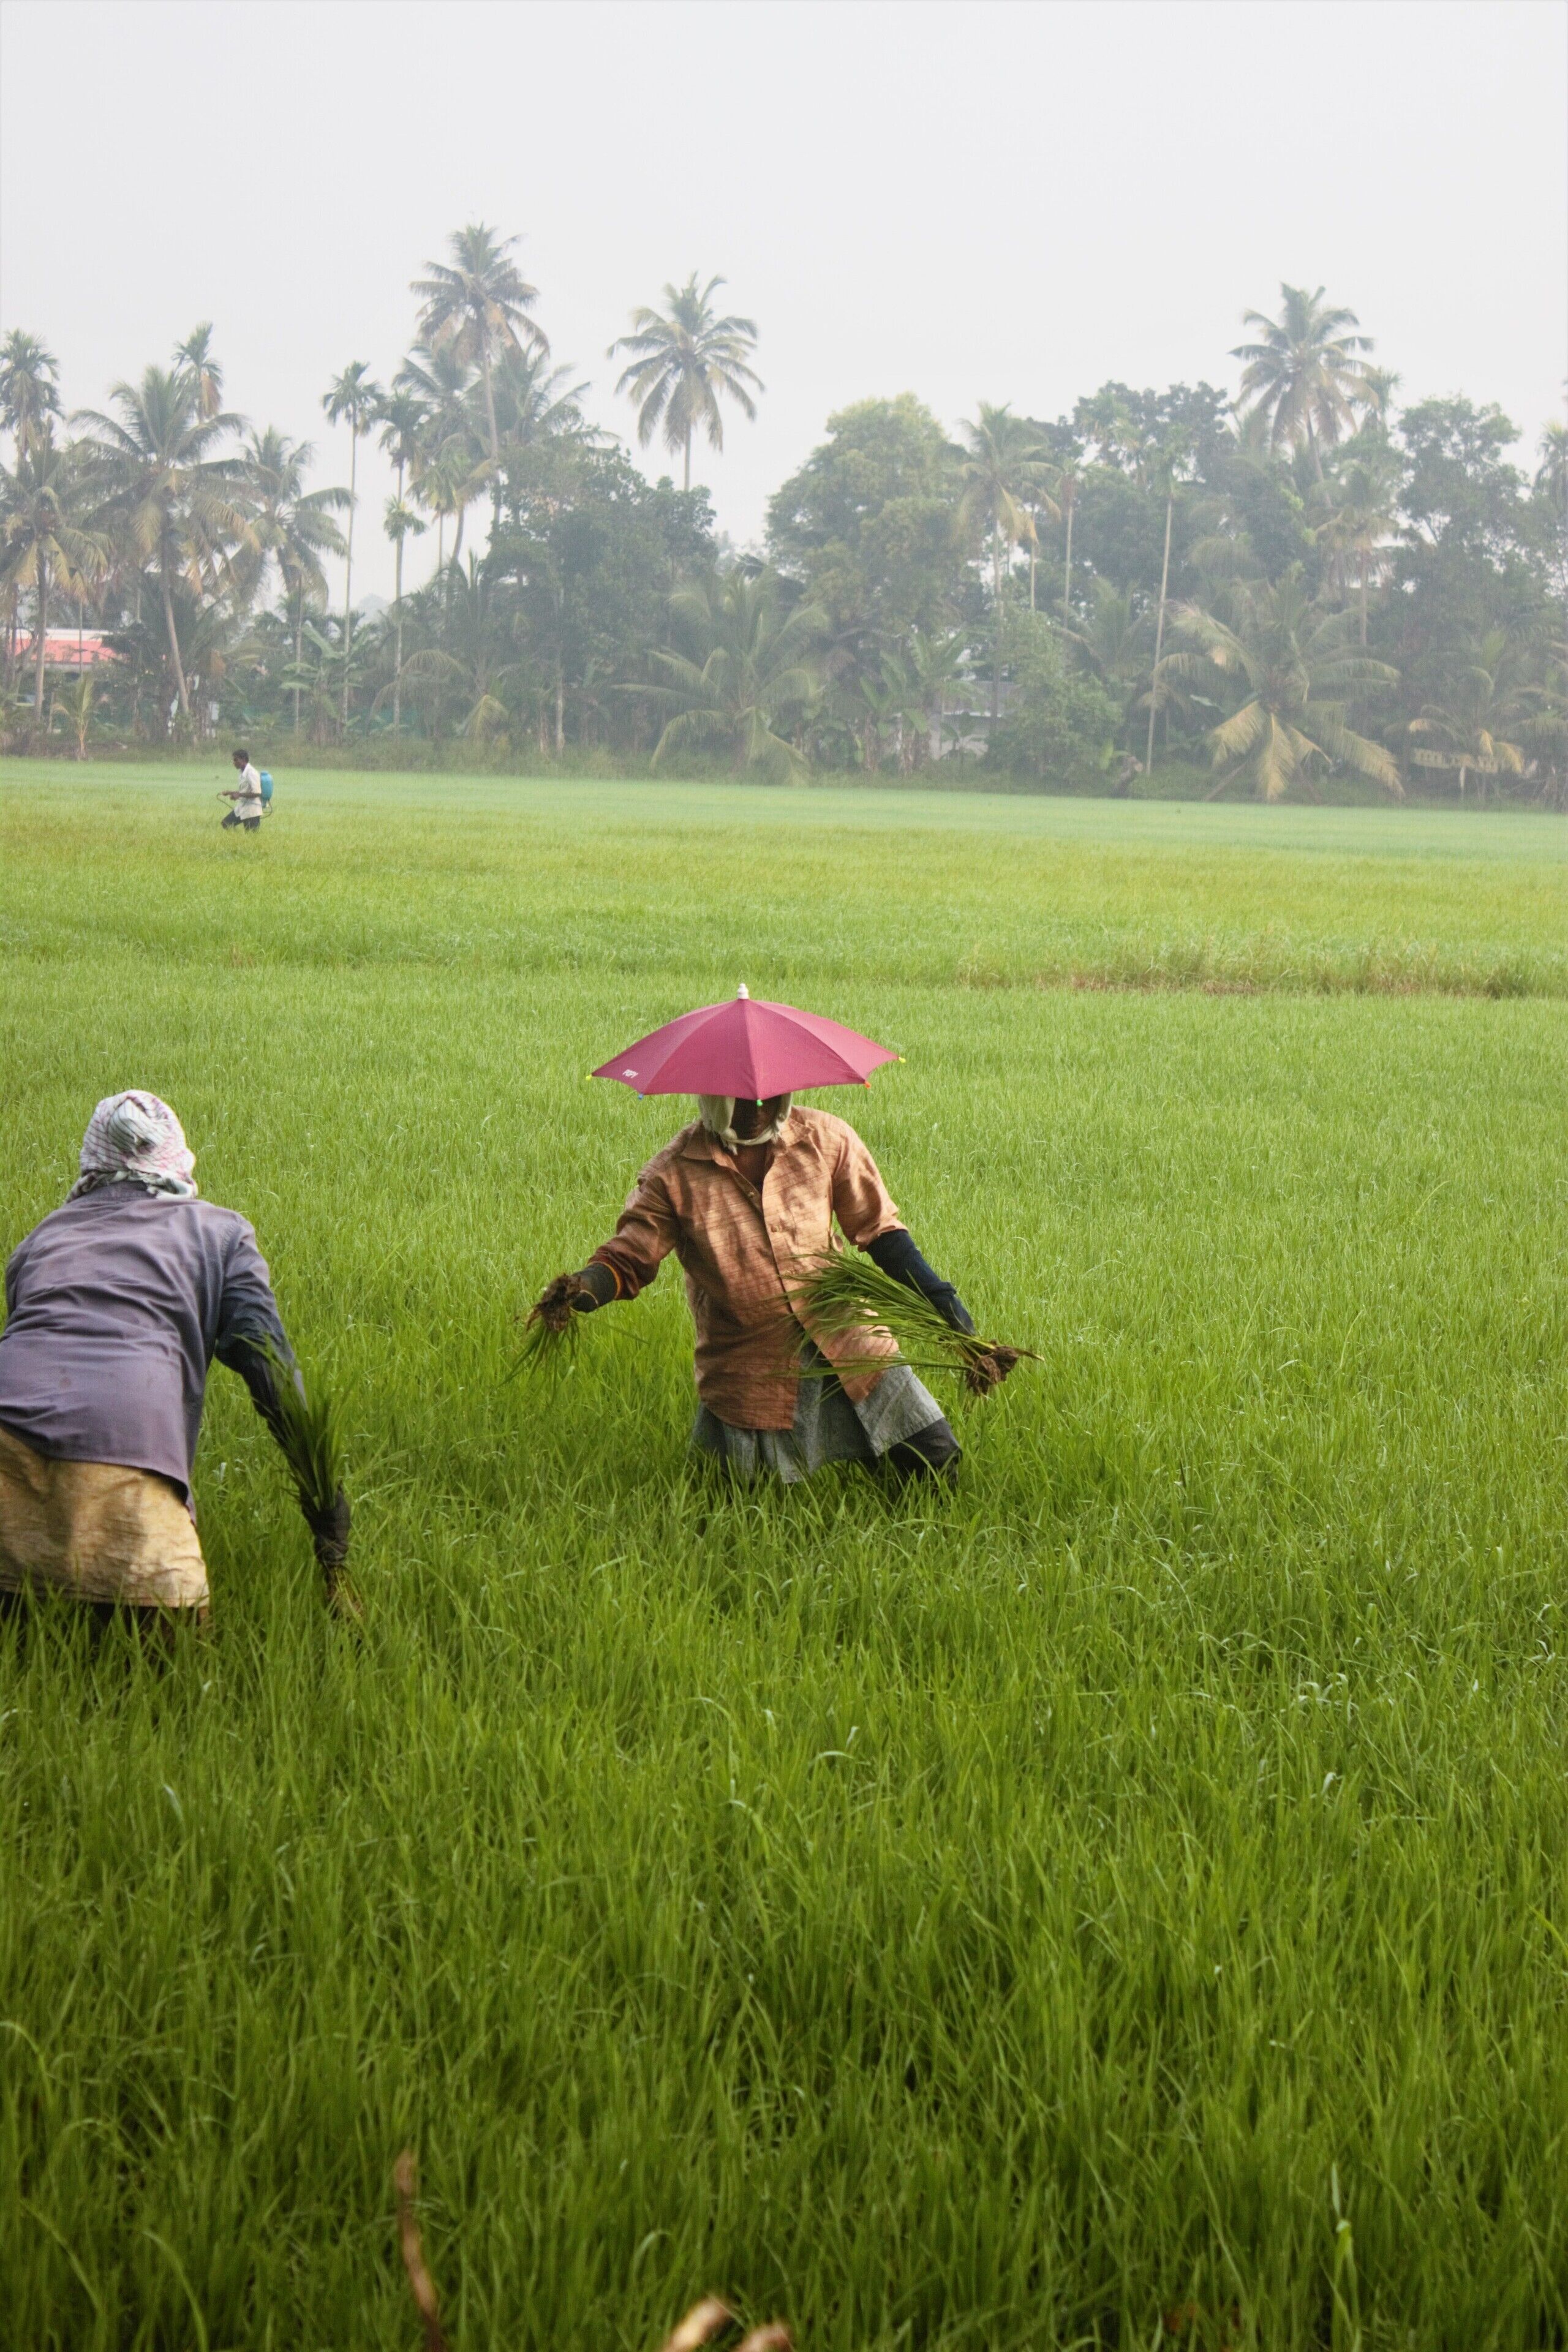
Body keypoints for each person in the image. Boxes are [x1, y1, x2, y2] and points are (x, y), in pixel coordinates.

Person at [530, 1092, 1012, 1483]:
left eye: (769, 1094)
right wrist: (580, 1289)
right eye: (743, 1096)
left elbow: (881, 1233)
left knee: (935, 1463)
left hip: (846, 1336)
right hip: (751, 1362)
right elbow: (627, 1259)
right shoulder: (674, 1176)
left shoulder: (825, 1139)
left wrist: (942, 1304)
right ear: (713, 1097)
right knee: (747, 1504)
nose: (759, 1104)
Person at [0, 1092, 350, 1625]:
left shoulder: (39, 1239)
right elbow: (273, 1380)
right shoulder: (222, 1235)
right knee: (175, 1669)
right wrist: (327, 1510)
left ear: (93, 1161)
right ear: (178, 1158)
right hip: (126, 1463)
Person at [221, 747, 264, 831]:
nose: (234, 763)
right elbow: (245, 791)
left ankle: (240, 841)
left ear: (244, 759)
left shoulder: (252, 773)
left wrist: (239, 795)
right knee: (226, 823)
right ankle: (236, 840)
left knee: (251, 837)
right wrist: (231, 793)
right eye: (234, 760)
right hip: (243, 808)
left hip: (252, 811)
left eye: (236, 760)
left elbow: (257, 793)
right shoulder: (242, 772)